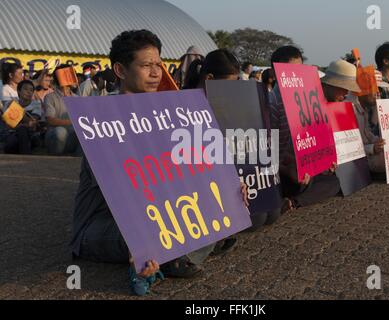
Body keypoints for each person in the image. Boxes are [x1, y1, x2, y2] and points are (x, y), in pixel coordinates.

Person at [71, 31, 248, 296]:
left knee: (222, 206)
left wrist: (230, 187)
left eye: (158, 64)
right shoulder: (99, 120)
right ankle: (171, 257)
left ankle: (175, 253)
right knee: (164, 231)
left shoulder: (164, 112)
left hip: (155, 213)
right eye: (146, 65)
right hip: (102, 224)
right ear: (120, 70)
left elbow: (191, 168)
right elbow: (122, 194)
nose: (155, 73)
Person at [185, 49, 278, 232]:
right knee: (257, 217)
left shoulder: (223, 103)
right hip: (205, 184)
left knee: (271, 211)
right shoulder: (186, 107)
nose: (233, 90)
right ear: (209, 79)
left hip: (234, 176)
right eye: (229, 84)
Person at [268, 46, 340, 211]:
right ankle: (294, 197)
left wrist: (325, 161)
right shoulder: (272, 102)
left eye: (299, 69)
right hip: (284, 173)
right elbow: (269, 151)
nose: (295, 75)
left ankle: (294, 202)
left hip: (305, 169)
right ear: (274, 73)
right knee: (298, 183)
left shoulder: (310, 96)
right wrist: (288, 169)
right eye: (290, 70)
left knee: (333, 181)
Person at [44, 65, 81, 155]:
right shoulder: (50, 97)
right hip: (54, 135)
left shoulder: (77, 98)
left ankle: (76, 160)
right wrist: (73, 122)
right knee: (61, 131)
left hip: (71, 137)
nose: (75, 78)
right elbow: (50, 120)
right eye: (71, 75)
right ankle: (57, 160)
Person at [3, 80, 43, 154]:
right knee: (14, 140)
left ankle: (25, 156)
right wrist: (25, 122)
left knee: (22, 130)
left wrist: (16, 109)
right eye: (25, 89)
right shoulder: (10, 103)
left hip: (31, 136)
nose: (29, 92)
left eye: (31, 90)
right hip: (12, 134)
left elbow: (32, 123)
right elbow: (8, 124)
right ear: (18, 91)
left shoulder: (36, 104)